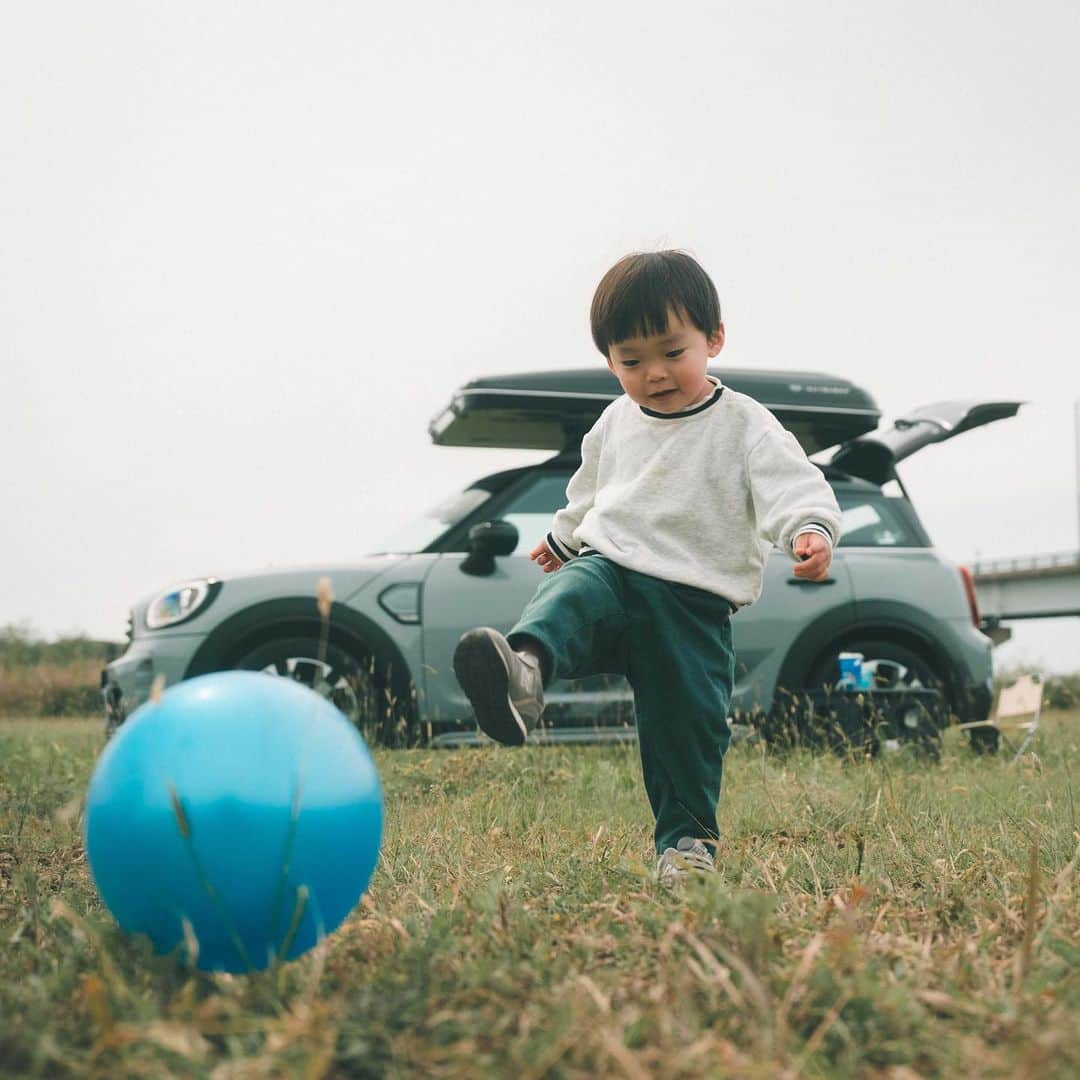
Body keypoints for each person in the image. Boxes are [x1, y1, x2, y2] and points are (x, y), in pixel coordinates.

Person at [452, 250, 842, 884]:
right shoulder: (613, 422)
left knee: (684, 727)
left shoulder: (744, 423)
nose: (654, 373)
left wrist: (807, 529)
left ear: (713, 339)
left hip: (692, 604)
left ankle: (685, 846)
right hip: (615, 567)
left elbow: (790, 484)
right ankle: (524, 674)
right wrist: (565, 539)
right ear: (609, 362)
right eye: (631, 361)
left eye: (671, 353)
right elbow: (590, 492)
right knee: (569, 596)